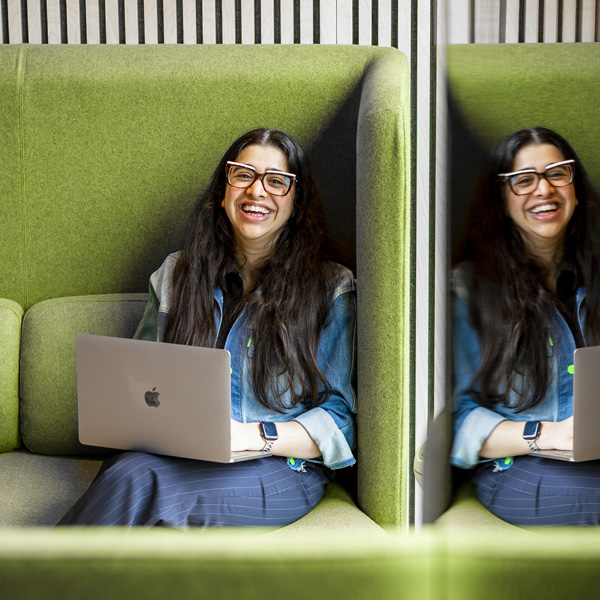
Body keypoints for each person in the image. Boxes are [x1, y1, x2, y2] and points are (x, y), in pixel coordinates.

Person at [58, 128, 356, 528]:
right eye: (243, 175)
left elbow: (340, 420)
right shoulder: (174, 276)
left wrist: (253, 436)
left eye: (276, 181)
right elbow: (138, 383)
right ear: (223, 189)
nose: (257, 191)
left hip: (282, 469)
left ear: (296, 202)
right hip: (179, 458)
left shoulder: (330, 288)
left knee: (137, 478)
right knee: (128, 469)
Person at [451, 126, 600, 526]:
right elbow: (462, 421)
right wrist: (548, 434)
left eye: (556, 173)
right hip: (520, 466)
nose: (543, 189)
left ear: (576, 188)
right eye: (523, 180)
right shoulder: (470, 290)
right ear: (502, 200)